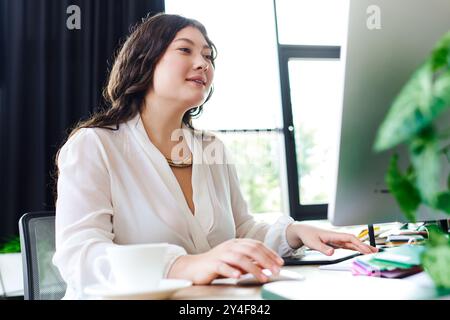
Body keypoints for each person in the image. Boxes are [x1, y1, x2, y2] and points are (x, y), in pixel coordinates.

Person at [53, 13, 377, 299]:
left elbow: (242, 231)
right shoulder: (94, 146)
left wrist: (295, 233)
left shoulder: (211, 149)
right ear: (145, 60)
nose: (202, 63)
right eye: (185, 50)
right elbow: (79, 257)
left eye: (208, 56)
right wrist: (181, 265)